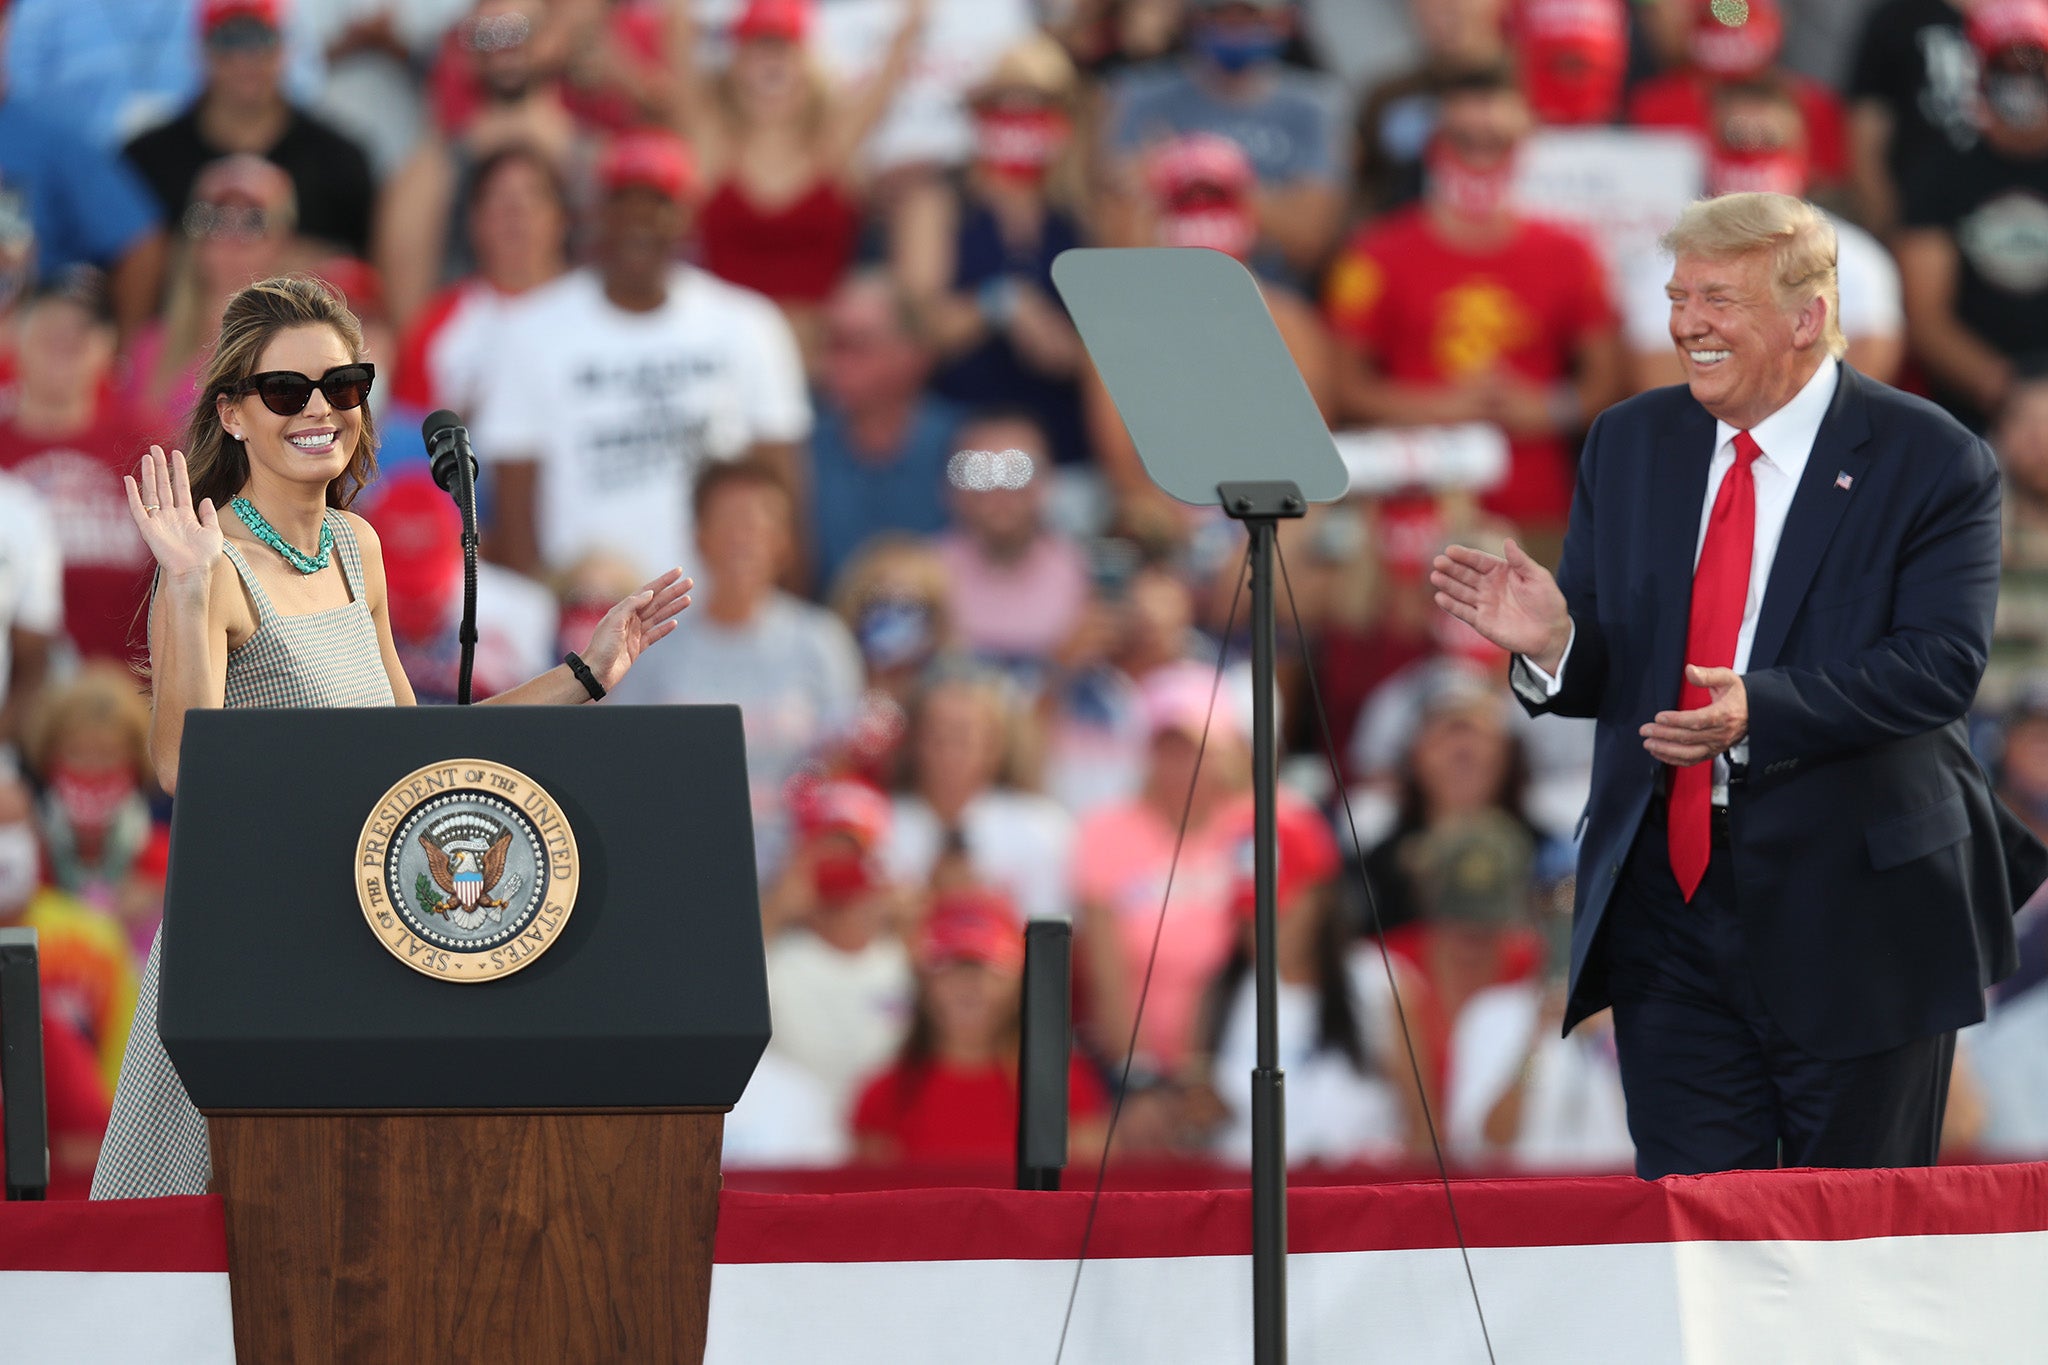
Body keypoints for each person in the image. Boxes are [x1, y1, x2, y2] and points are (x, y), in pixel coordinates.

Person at [1430, 191, 2048, 1178]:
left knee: (1844, 1248)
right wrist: (1550, 642)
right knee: (1695, 1239)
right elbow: (1614, 670)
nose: (1683, 324)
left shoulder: (1929, 458)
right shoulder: (1628, 442)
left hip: (1857, 908)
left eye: (1715, 299)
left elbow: (1938, 669)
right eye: (1678, 297)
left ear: (1804, 318)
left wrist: (1759, 709)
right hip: (1666, 904)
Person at [92, 273, 693, 1200]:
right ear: (236, 415)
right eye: (285, 391)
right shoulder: (212, 564)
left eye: (343, 385)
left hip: (356, 940)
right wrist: (179, 585)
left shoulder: (354, 547)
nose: (319, 410)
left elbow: (411, 757)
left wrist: (586, 674)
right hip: (250, 944)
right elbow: (182, 768)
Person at [472, 127, 811, 582]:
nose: (639, 223)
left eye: (659, 206)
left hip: (717, 613)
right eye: (622, 205)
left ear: (687, 218)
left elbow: (781, 488)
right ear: (596, 216)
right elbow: (514, 503)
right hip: (588, 614)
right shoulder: (529, 332)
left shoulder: (749, 325)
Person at [1323, 63, 1624, 544]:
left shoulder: (1572, 253)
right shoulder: (1373, 255)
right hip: (1407, 515)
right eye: (1465, 140)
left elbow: (1607, 382)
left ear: (1524, 144)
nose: (1481, 159)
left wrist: (1547, 408)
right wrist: (1444, 406)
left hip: (1536, 514)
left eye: (1497, 142)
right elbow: (1341, 387)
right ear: (1434, 144)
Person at [610, 458, 864, 879]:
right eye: (730, 522)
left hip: (800, 880)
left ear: (784, 541)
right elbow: (624, 766)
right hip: (677, 870)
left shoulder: (822, 642)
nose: (745, 539)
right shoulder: (654, 644)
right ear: (699, 536)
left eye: (761, 523)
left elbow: (846, 773)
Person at [676, 0, 927, 359]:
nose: (771, 64)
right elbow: (678, 49)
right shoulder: (711, 146)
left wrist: (912, 20)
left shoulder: (835, 147)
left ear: (807, 64)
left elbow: (892, 67)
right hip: (726, 364)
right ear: (734, 66)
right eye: (757, 50)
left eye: (783, 50)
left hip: (823, 370)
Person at [1187, 794, 1430, 1164]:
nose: (1263, 927)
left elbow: (1424, 1130)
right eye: (1248, 912)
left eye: (1279, 906)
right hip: (1247, 1205)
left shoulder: (1378, 984)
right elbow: (1189, 1129)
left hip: (1356, 1206)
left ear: (1322, 897)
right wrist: (1196, 1114)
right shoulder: (1220, 992)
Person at [891, 34, 1092, 469]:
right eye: (1005, 103)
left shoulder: (1086, 212)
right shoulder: (939, 202)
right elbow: (916, 326)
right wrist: (1001, 305)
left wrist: (1073, 353)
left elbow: (1123, 342)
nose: (1019, 118)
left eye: (1036, 103)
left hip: (1069, 445)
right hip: (964, 440)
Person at [1625, 79, 1904, 392]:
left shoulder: (1858, 262)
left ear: (1805, 158)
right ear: (1709, 153)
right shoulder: (1662, 264)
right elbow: (1665, 389)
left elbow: (1856, 392)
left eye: (1770, 142)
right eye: (1736, 141)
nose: (1751, 154)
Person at [851, 887, 1108, 1164]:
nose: (968, 987)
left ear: (1017, 984)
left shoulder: (1066, 1086)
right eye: (949, 969)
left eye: (986, 970)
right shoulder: (885, 1093)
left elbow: (1085, 1191)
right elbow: (874, 1195)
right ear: (923, 982)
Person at [1106, 0, 1347, 277]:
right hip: (1167, 287)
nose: (1234, 28)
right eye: (1219, 13)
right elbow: (1120, 239)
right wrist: (1271, 203)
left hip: (1271, 295)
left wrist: (1199, 174)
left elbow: (1311, 240)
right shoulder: (1141, 96)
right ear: (1194, 18)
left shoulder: (1315, 106)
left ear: (1283, 21)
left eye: (1249, 15)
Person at [1896, 0, 2048, 433]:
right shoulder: (1941, 172)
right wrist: (2014, 396)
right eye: (2008, 64)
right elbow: (1927, 319)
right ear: (1981, 70)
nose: (2022, 78)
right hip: (1973, 418)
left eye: (2034, 63)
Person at [123, 0, 378, 258]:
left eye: (261, 39)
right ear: (202, 52)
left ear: (284, 49)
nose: (245, 59)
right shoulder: (148, 162)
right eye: (229, 41)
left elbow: (366, 276)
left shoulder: (340, 163)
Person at [0, 276, 153, 663]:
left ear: (109, 346)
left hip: (129, 694)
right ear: (15, 334)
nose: (65, 334)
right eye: (49, 321)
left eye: (84, 327)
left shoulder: (148, 446)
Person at [806, 272, 965, 593]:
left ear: (914, 356)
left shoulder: (963, 445)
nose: (835, 361)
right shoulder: (803, 450)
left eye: (857, 346)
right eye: (832, 344)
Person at [129, 155, 307, 440]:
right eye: (213, 217)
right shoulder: (151, 345)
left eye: (252, 220)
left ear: (285, 240)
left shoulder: (301, 348)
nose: (230, 235)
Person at [881, 666, 1075, 924]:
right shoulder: (878, 826)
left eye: (962, 735)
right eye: (935, 734)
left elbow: (1050, 939)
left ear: (995, 746)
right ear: (913, 742)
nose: (948, 750)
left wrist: (985, 906)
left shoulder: (1042, 829)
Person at [390, 142, 569, 417]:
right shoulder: (437, 326)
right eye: (499, 198)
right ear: (474, 221)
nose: (516, 211)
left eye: (533, 195)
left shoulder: (604, 309)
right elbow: (408, 443)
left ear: (561, 218)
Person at [935, 413, 1090, 680]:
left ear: (1048, 483)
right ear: (951, 488)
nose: (1000, 488)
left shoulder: (1084, 573)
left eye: (1019, 470)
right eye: (979, 472)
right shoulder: (924, 574)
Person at [1846, 0, 1975, 236]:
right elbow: (1867, 124)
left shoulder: (2033, 17)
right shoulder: (1896, 18)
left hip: (2014, 206)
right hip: (1916, 215)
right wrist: (1881, 215)